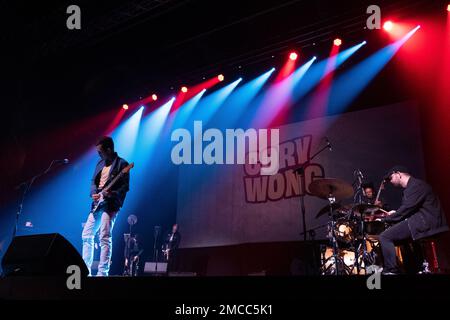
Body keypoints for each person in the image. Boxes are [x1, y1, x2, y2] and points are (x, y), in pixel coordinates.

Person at [378, 166, 448, 274]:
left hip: (426, 222)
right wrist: (396, 214)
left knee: (384, 237)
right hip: (424, 221)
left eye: (390, 178)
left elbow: (406, 209)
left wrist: (385, 219)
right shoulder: (414, 186)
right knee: (399, 240)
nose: (390, 181)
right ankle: (412, 268)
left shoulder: (415, 185)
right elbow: (410, 208)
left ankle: (391, 271)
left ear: (398, 174)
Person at [81, 136, 130, 276]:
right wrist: (93, 193)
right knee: (86, 234)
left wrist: (112, 193)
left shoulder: (122, 164)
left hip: (110, 204)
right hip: (97, 203)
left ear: (109, 150)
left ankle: (103, 273)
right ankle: (86, 271)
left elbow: (125, 187)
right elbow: (93, 182)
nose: (98, 155)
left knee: (104, 237)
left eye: (100, 152)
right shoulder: (100, 163)